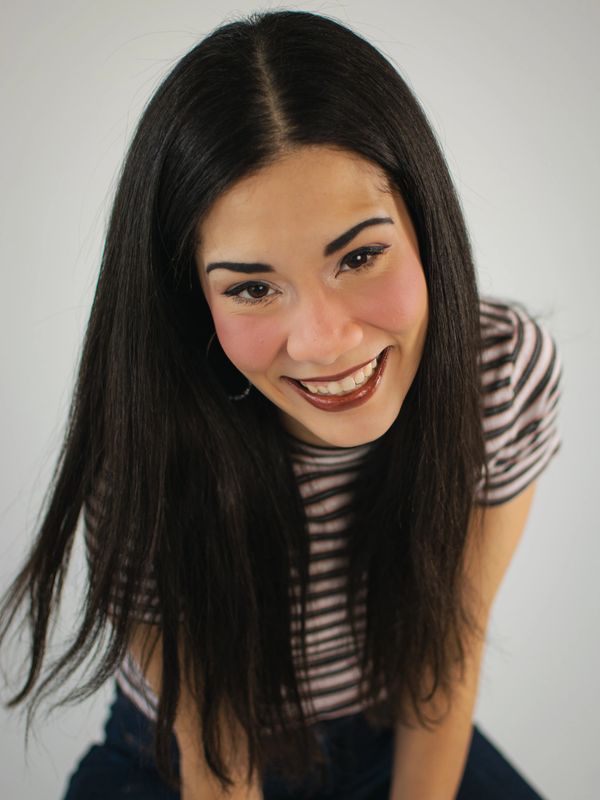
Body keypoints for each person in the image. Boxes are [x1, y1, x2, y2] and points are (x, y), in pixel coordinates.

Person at [0, 9, 562, 800]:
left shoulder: (499, 370)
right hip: (180, 761)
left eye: (360, 255)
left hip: (394, 735)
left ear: (424, 225)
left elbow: (446, 657)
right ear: (192, 295)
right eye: (254, 288)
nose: (324, 342)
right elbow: (214, 752)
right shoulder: (151, 435)